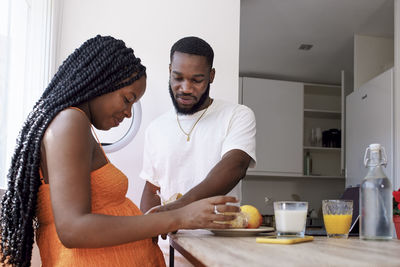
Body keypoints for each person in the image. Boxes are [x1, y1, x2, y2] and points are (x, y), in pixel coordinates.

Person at [0, 35, 240, 267]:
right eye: (127, 99)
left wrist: (150, 220)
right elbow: (73, 229)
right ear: (100, 82)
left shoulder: (74, 123)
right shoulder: (70, 121)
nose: (128, 113)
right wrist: (179, 217)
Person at [140, 36, 256, 215]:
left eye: (196, 80)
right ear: (170, 71)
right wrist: (148, 229)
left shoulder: (237, 115)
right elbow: (152, 189)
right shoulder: (155, 128)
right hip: (171, 239)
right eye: (178, 77)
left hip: (219, 239)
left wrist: (177, 209)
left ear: (211, 76)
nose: (185, 88)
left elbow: (236, 166)